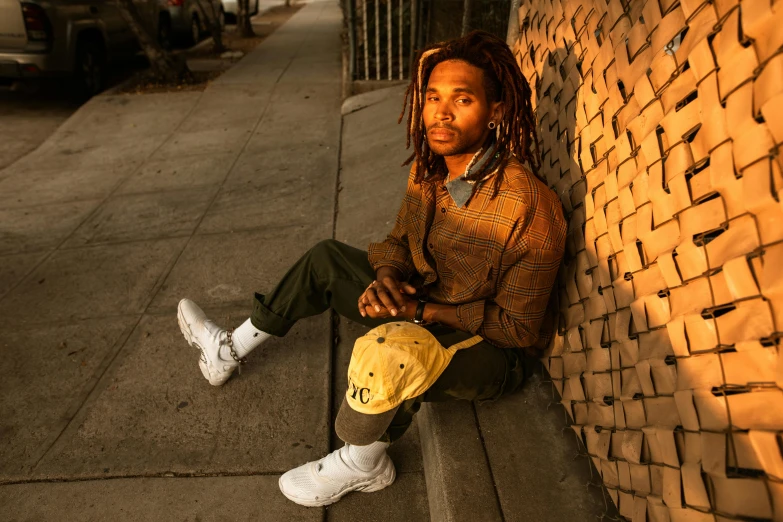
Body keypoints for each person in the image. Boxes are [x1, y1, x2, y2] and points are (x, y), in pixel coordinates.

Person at [177, 30, 566, 507]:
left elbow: (519, 330)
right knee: (328, 259)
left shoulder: (528, 206)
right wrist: (384, 281)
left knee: (394, 349)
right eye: (432, 98)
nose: (440, 113)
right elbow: (399, 243)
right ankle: (228, 352)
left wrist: (420, 311)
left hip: (491, 351)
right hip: (422, 300)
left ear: (495, 113)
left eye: (462, 100)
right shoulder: (431, 168)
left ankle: (365, 463)